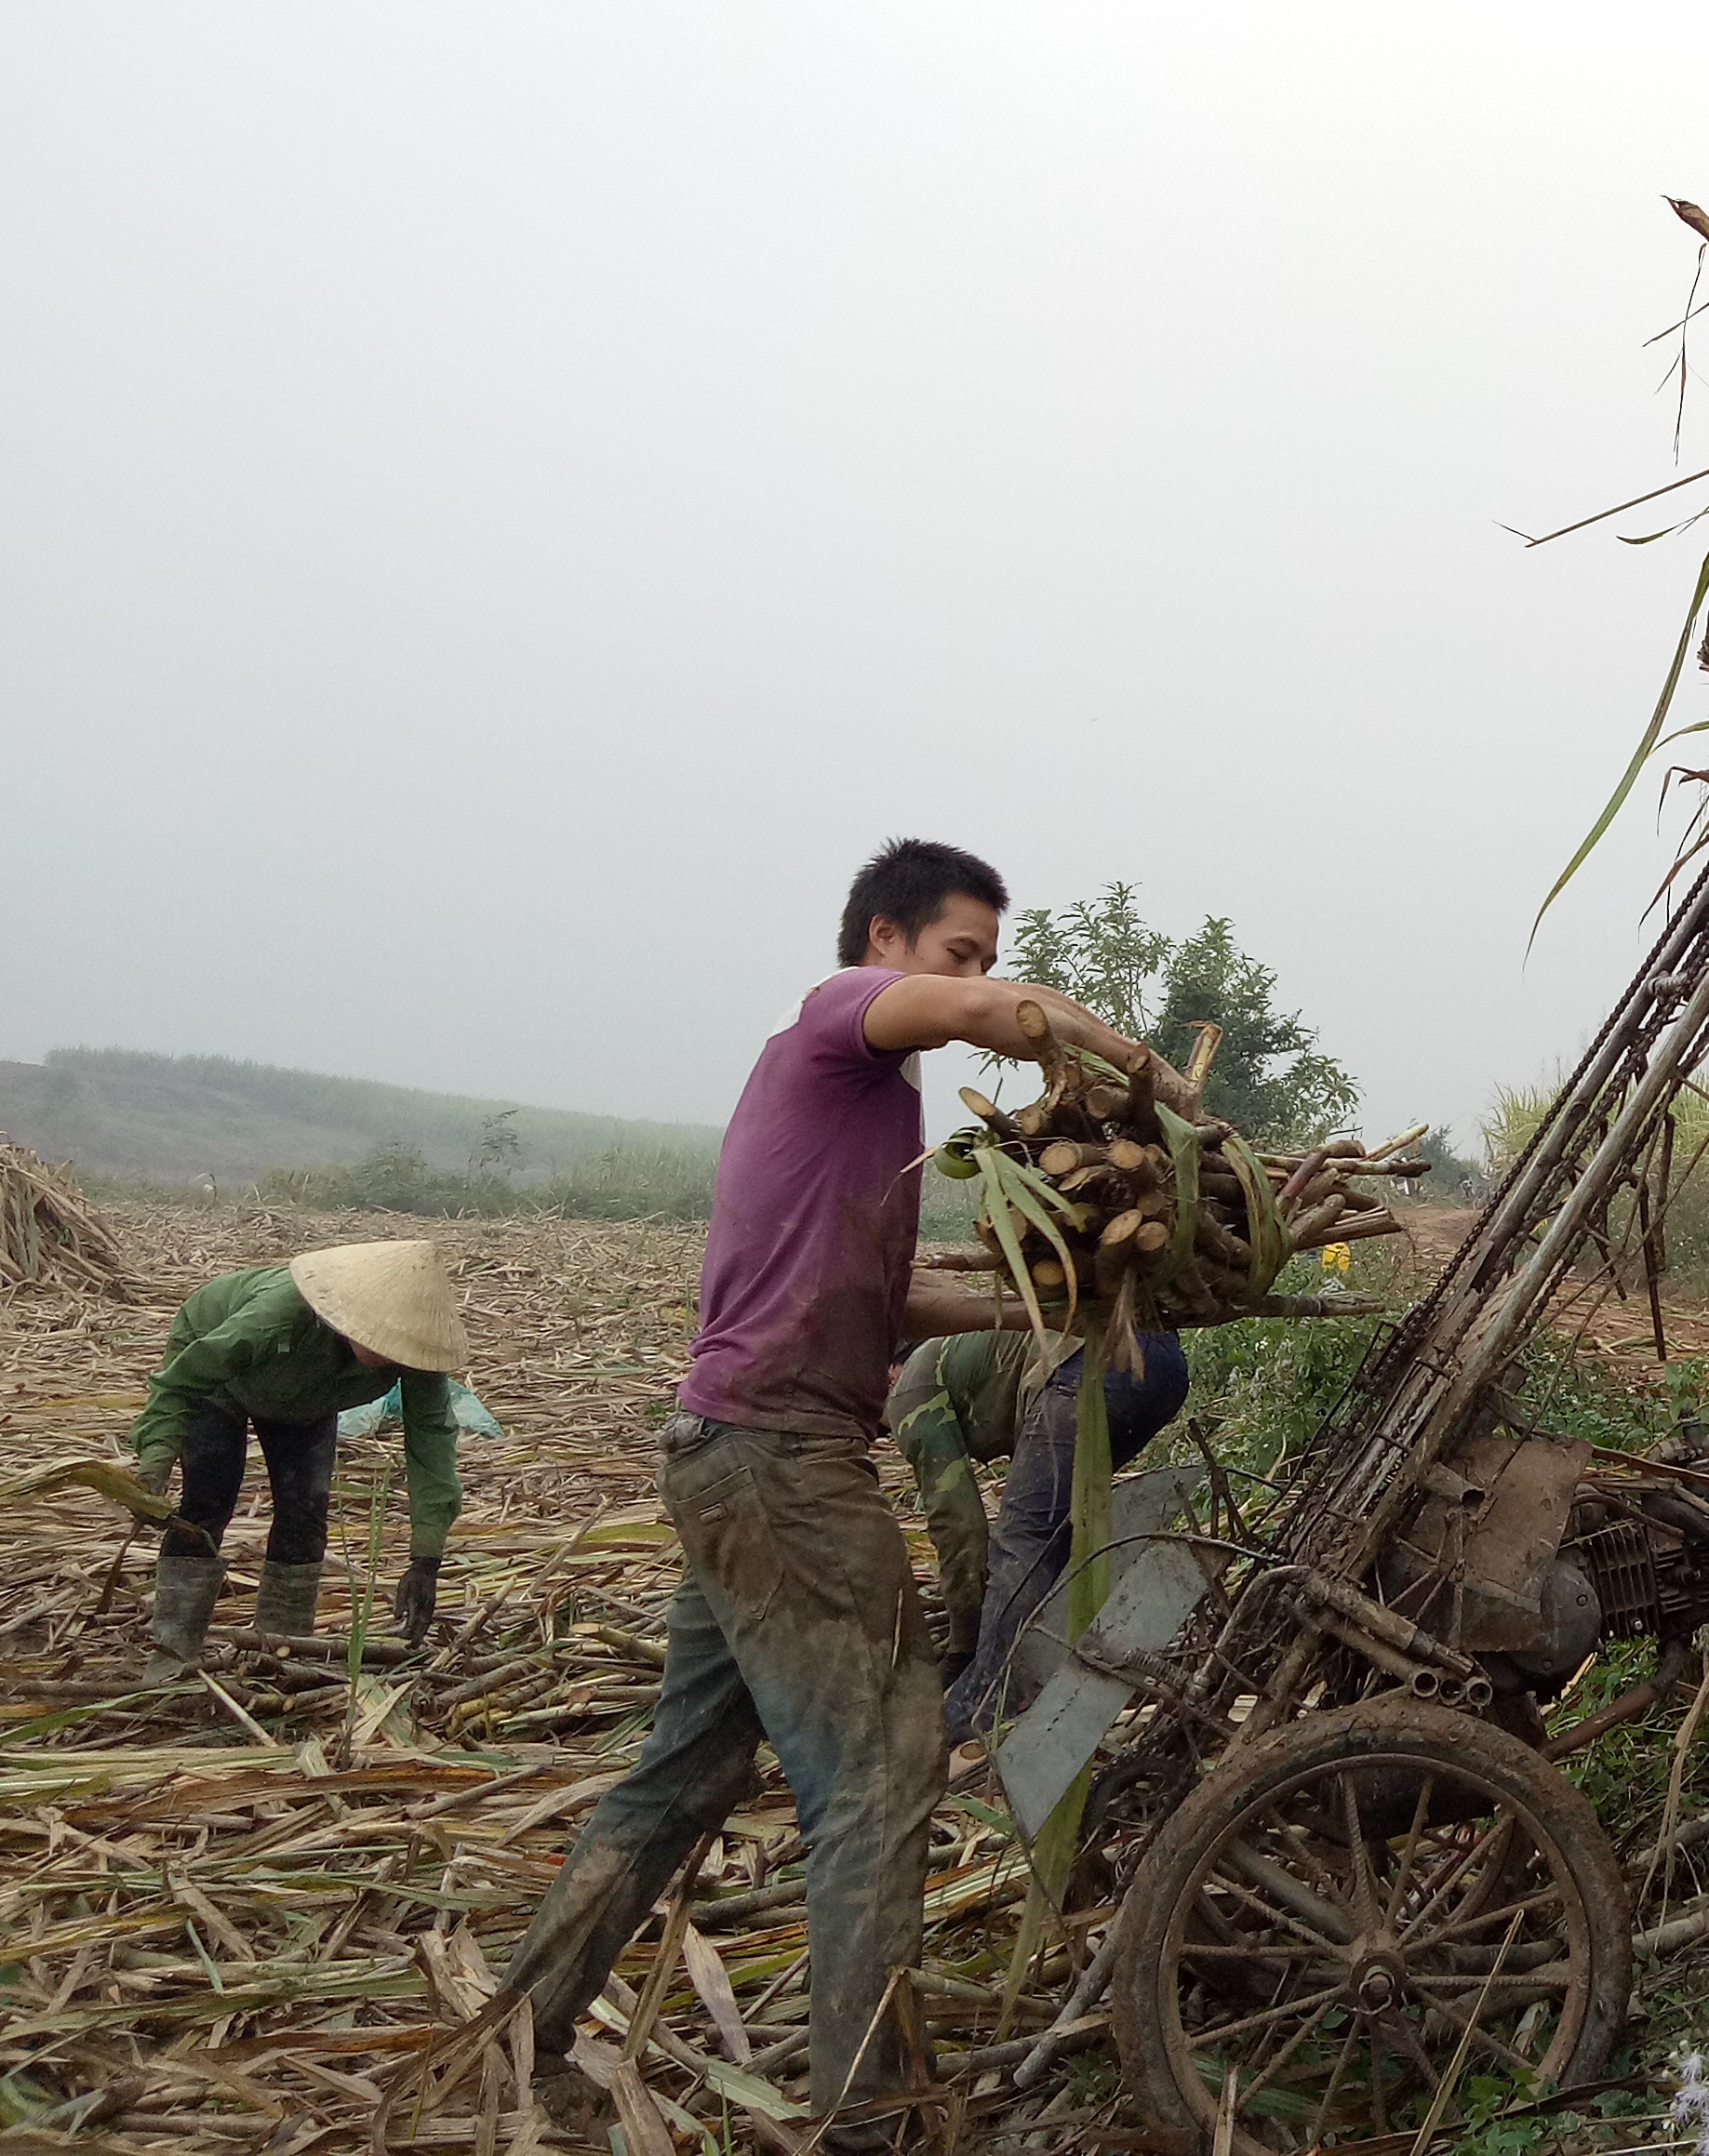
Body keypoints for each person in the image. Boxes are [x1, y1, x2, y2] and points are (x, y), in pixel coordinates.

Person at [496, 837, 1159, 2142]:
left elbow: (892, 1301)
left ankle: (524, 2030)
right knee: (886, 1765)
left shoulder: (870, 1118)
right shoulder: (834, 1018)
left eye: (985, 955)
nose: (977, 979)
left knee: (685, 1771)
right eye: (957, 951)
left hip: (737, 1457)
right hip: (781, 1464)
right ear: (882, 942)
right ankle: (873, 2121)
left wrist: (1058, 1302)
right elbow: (989, 1015)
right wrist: (1137, 1071)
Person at [128, 1240, 469, 1661]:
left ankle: (282, 1652)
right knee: (208, 1499)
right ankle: (173, 1649)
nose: (387, 1352)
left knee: (305, 1513)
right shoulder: (276, 1316)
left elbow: (431, 1442)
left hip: (306, 1401)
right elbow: (182, 1382)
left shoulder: (415, 1354)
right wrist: (154, 1463)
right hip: (219, 1380)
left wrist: (426, 1559)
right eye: (379, 1338)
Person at [888, 1324, 1190, 1741]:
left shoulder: (907, 1391)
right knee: (1061, 1536)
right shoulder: (955, 1354)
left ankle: (986, 1703)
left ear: (887, 1372)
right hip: (1162, 1365)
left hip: (1093, 1366)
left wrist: (965, 1650)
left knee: (1023, 1542)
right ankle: (1053, 1677)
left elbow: (960, 1528)